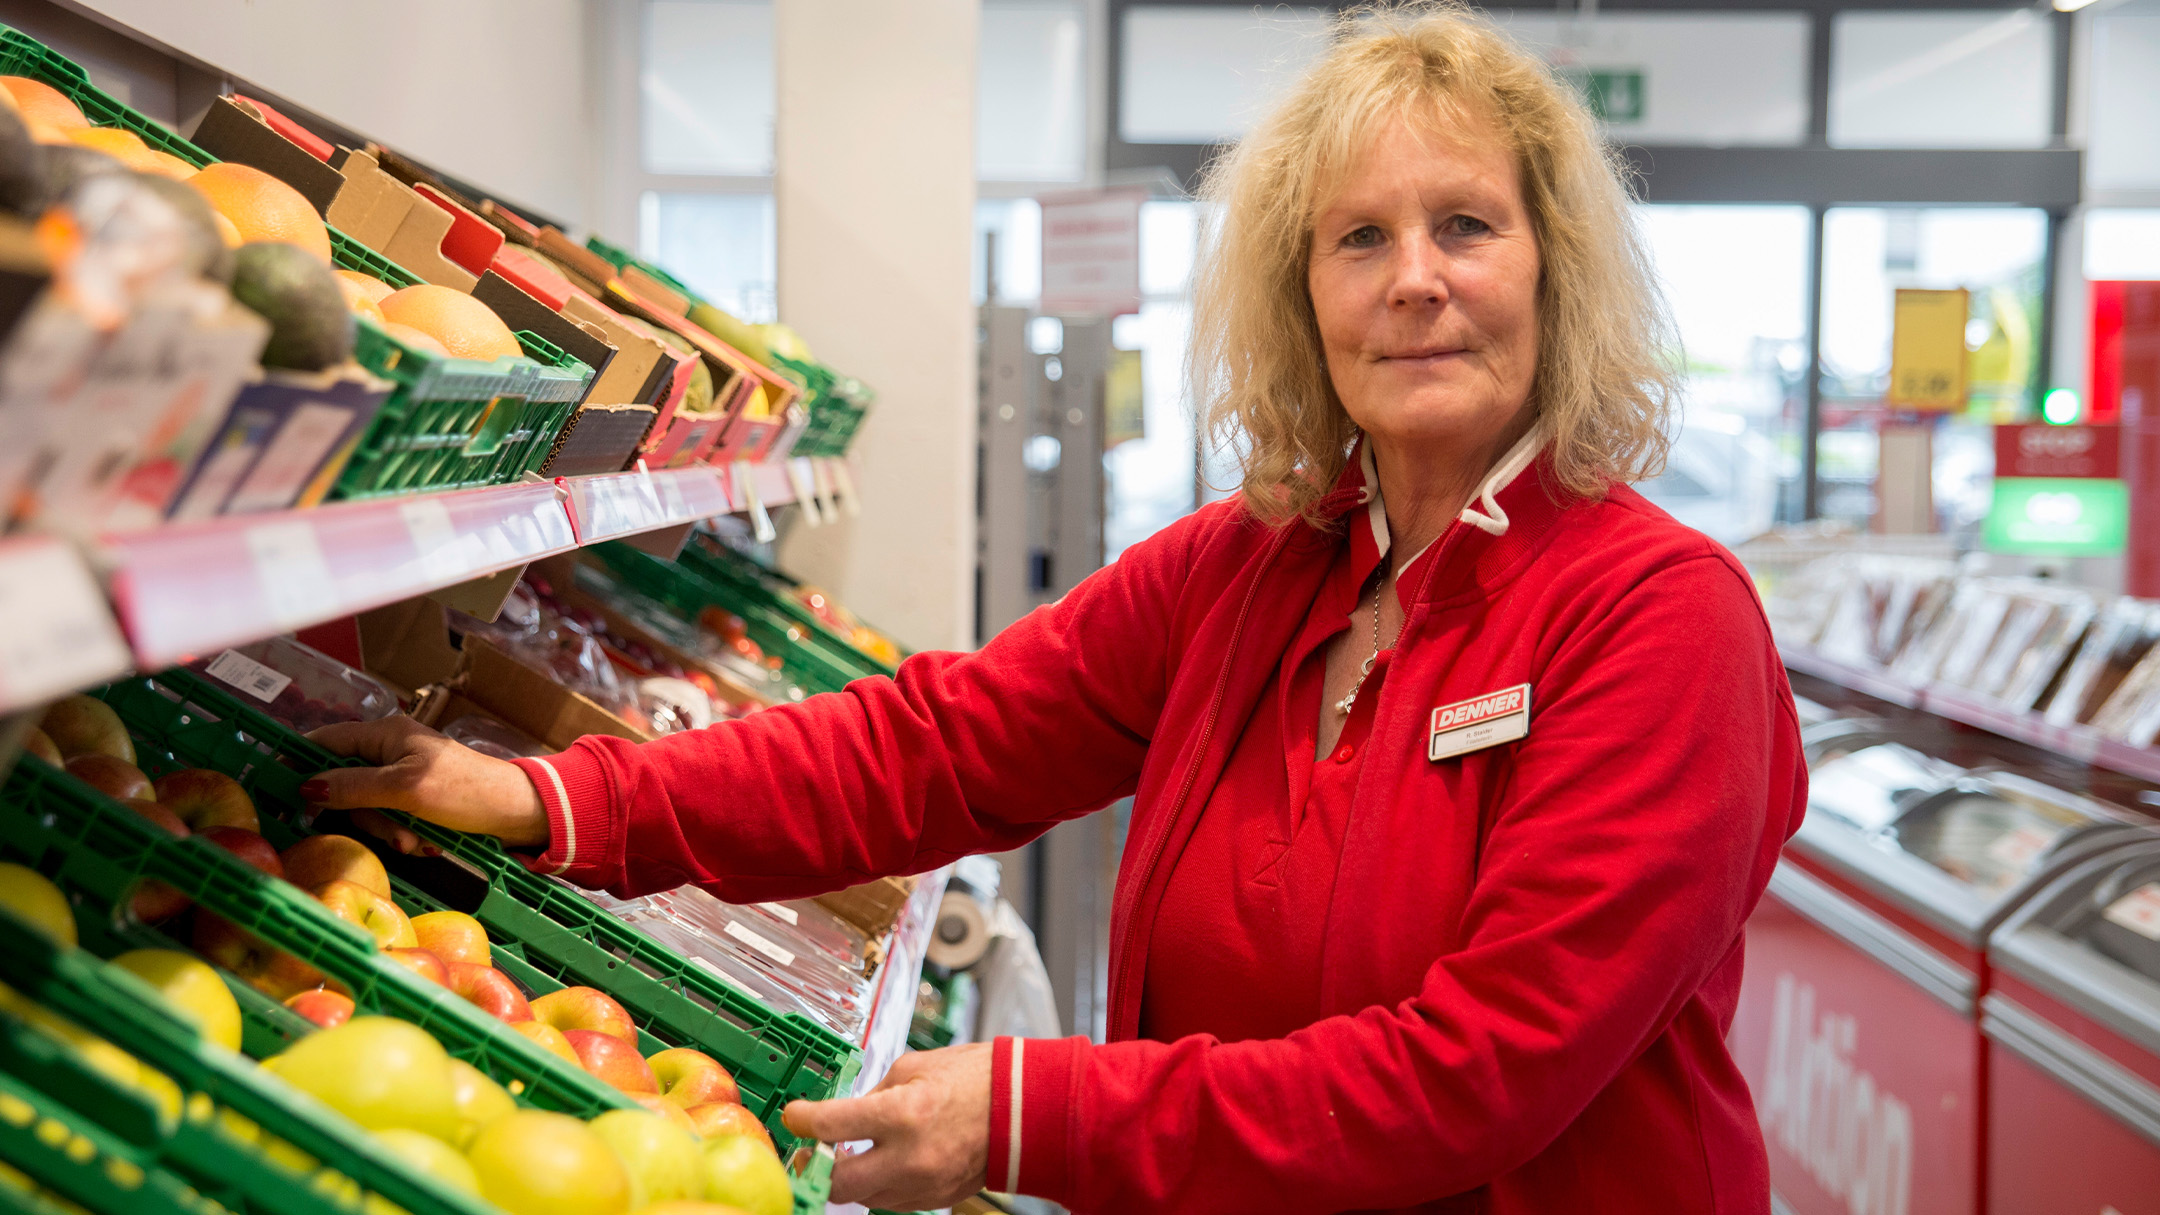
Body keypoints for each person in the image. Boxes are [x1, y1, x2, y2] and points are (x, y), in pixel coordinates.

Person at [306, 5, 1806, 1212]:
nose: (1414, 280)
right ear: (1301, 295)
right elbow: (938, 745)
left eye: (1466, 225)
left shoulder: (1659, 623)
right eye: (1359, 237)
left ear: (1556, 272)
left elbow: (1486, 1071)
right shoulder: (1253, 567)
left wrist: (1039, 1114)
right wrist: (558, 798)